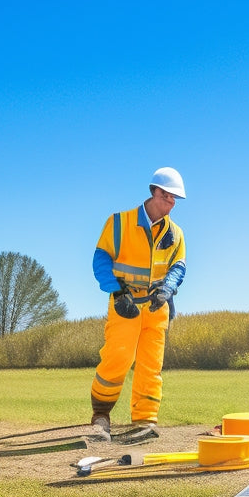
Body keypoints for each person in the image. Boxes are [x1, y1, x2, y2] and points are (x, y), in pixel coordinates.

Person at [89, 167, 187, 440]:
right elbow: (101, 260)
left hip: (156, 308)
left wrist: (167, 289)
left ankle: (145, 421)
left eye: (175, 199)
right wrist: (117, 293)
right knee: (117, 358)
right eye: (168, 197)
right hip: (126, 303)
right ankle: (100, 417)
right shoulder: (118, 222)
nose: (172, 203)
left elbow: (178, 266)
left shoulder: (176, 233)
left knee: (151, 365)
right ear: (155, 191)